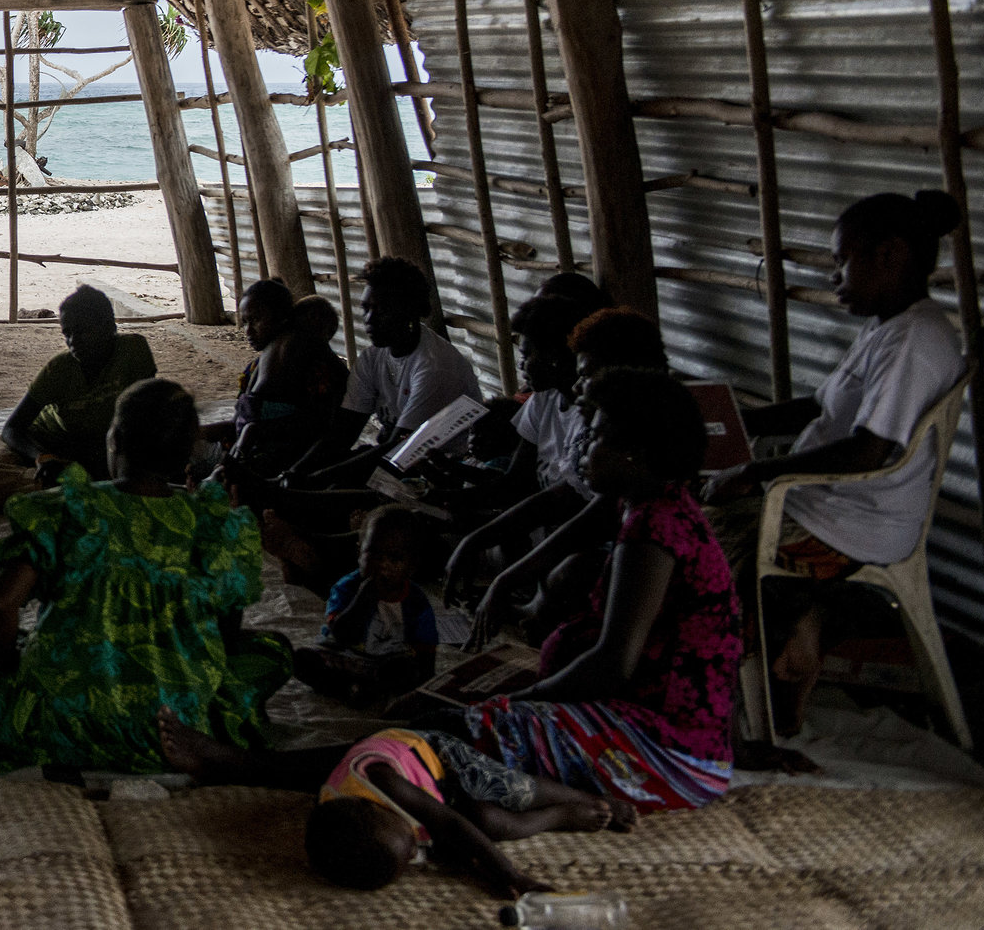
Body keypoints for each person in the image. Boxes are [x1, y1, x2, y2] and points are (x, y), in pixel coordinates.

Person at [0, 378, 288, 776]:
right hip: (176, 726)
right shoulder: (217, 523)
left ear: (112, 440)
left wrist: (13, 670)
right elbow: (225, 632)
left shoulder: (66, 508)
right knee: (274, 652)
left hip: (62, 718)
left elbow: (0, 606)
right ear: (188, 452)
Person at [707, 190, 967, 738]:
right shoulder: (889, 326)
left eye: (841, 261)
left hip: (851, 527)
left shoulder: (915, 339)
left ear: (890, 255)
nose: (834, 277)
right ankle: (798, 631)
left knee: (691, 543)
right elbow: (819, 406)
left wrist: (754, 472)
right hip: (829, 506)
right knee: (692, 513)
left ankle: (742, 698)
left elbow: (867, 451)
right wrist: (730, 420)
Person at [455, 368, 742, 810]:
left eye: (594, 438)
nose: (582, 450)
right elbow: (574, 529)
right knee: (441, 736)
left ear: (634, 454)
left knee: (449, 742)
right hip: (657, 738)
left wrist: (515, 701)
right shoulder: (645, 501)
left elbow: (613, 663)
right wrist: (505, 576)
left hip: (664, 756)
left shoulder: (655, 530)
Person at [159, 721, 631, 898]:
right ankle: (562, 818)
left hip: (435, 755)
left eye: (407, 849)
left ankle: (575, 803)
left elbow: (446, 821)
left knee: (510, 792)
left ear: (379, 811)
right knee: (487, 824)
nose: (415, 856)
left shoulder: (380, 783)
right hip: (429, 794)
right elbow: (440, 841)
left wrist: (509, 876)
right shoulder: (360, 830)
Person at [440, 281, 618, 605]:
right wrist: (450, 495)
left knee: (527, 542)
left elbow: (580, 511)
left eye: (527, 355)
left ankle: (530, 598)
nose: (521, 366)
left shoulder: (602, 415)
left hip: (581, 541)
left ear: (554, 357)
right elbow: (518, 482)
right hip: (553, 525)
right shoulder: (543, 400)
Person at [287, 257, 480, 488]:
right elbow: (343, 432)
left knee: (332, 488)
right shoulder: (372, 358)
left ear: (408, 311)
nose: (369, 320)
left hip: (443, 472)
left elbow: (399, 452)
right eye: (366, 309)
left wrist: (314, 479)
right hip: (398, 459)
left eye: (381, 310)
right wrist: (295, 472)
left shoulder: (435, 368)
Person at [0, 285, 157, 512]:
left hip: (97, 452)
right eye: (67, 333)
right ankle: (80, 487)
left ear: (109, 325)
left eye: (83, 331)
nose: (73, 341)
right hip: (39, 445)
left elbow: (148, 412)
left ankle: (67, 488)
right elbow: (13, 428)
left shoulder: (134, 351)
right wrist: (43, 457)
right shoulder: (59, 369)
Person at [293, 506, 442, 710]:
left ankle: (365, 689)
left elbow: (426, 651)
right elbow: (342, 634)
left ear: (412, 565)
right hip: (343, 655)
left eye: (395, 558)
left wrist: (423, 689)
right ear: (359, 552)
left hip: (385, 663)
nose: (382, 565)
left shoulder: (415, 600)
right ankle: (349, 688)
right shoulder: (348, 587)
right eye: (374, 554)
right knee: (302, 659)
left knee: (406, 670)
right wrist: (364, 597)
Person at [206, 279, 350, 483]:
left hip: (279, 469)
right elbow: (239, 423)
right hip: (246, 457)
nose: (247, 331)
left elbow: (321, 431)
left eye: (255, 320)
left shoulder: (313, 369)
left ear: (283, 318)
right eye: (245, 322)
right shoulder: (257, 366)